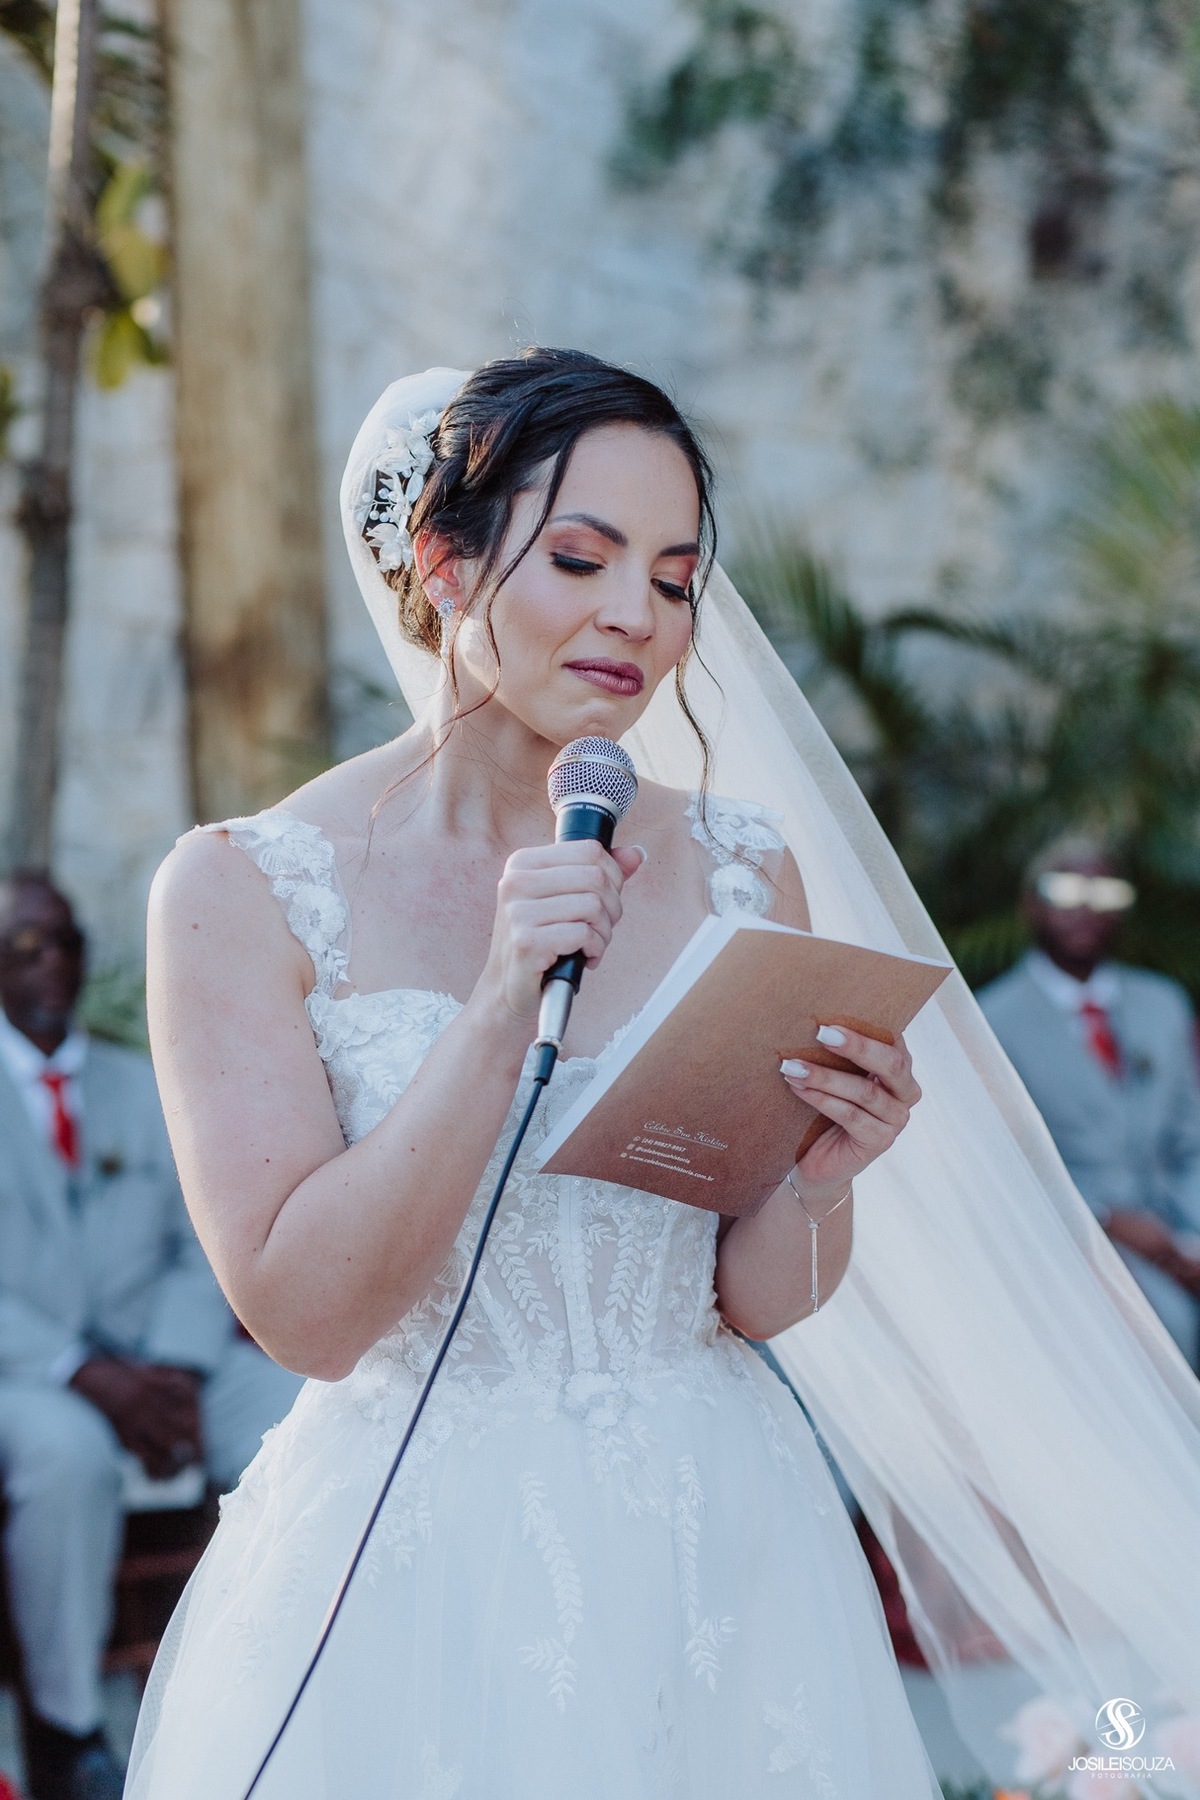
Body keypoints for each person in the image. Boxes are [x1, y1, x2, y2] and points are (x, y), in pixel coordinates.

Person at [125, 354, 1200, 1800]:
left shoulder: (745, 865)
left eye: (677, 579)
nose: (639, 615)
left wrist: (822, 1182)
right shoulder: (240, 890)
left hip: (724, 1539)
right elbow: (307, 1316)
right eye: (582, 559)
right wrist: (502, 1000)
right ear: (445, 562)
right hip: (422, 1566)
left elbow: (749, 1297)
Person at [0, 874, 303, 1800]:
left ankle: (295, 1669)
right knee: (64, 1457)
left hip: (167, 1360)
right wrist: (81, 1371)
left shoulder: (143, 1082)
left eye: (66, 941)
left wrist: (174, 1367)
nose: (53, 962)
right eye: (27, 946)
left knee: (302, 1409)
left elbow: (199, 1239)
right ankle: (70, 1729)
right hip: (27, 1375)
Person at [978, 838, 1200, 1368]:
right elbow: (1001, 1162)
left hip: (1179, 1226)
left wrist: (1189, 1239)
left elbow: (1190, 1137)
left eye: (1105, 892)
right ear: (1031, 904)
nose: (1086, 906)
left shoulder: (1163, 1003)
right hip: (1073, 1239)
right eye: (1066, 889)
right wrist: (1104, 1219)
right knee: (1160, 1328)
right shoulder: (990, 1022)